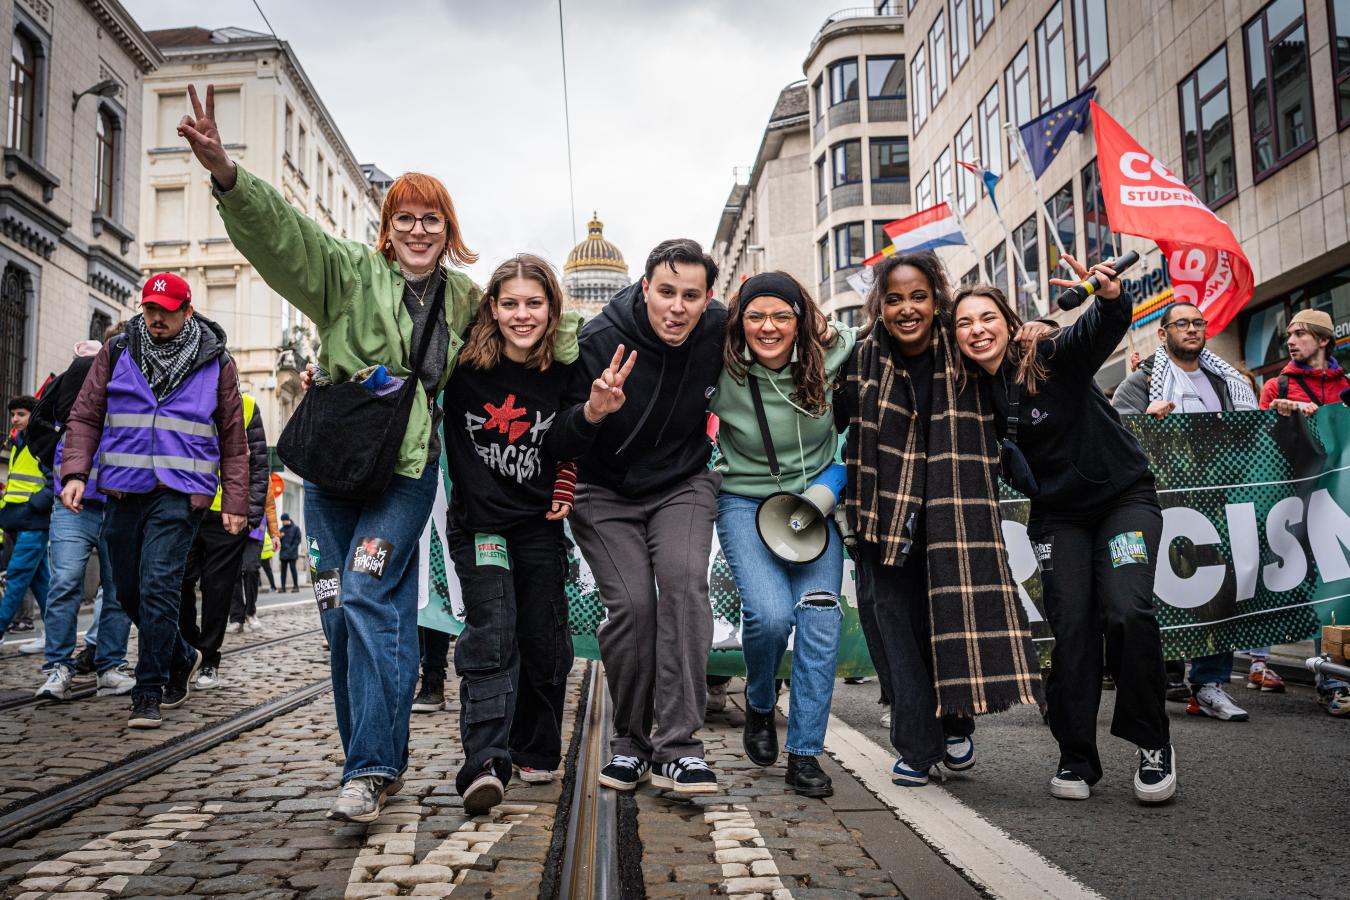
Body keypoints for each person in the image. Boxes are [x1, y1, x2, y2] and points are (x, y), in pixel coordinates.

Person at [179, 83, 563, 822]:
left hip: (405, 475)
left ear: (448, 230)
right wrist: (227, 173)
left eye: (432, 220)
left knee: (366, 594)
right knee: (339, 619)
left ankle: (370, 769)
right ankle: (371, 760)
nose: (419, 230)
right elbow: (285, 236)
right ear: (389, 227)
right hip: (330, 472)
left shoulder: (465, 301)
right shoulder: (350, 273)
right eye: (406, 218)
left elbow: (533, 331)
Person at [951, 257, 1177, 805]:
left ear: (1008, 322)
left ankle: (1153, 745)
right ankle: (1076, 757)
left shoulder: (1047, 354)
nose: (977, 330)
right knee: (1072, 627)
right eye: (963, 323)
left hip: (1123, 501)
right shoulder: (964, 393)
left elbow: (1100, 330)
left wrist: (1109, 297)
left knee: (1127, 611)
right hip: (1059, 518)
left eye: (987, 318)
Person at [837, 253, 1043, 788]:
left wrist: (1041, 328)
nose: (907, 309)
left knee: (951, 620)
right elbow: (824, 410)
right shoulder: (860, 358)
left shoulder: (964, 345)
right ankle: (916, 744)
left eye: (919, 297)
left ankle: (956, 718)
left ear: (937, 300)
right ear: (879, 307)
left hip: (957, 511)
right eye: (895, 299)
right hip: (883, 514)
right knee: (896, 630)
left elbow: (1018, 354)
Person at [551, 239, 726, 795]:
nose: (677, 307)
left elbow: (793, 330)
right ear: (644, 287)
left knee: (683, 587)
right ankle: (631, 742)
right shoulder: (597, 339)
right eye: (667, 292)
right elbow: (557, 435)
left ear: (708, 299)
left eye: (691, 296)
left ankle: (679, 747)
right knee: (632, 605)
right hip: (604, 491)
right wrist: (593, 410)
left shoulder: (722, 327)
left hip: (683, 483)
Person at [443, 253, 601, 815]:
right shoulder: (462, 365)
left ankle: (535, 748)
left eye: (534, 303)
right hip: (481, 525)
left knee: (544, 637)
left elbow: (564, 442)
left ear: (552, 309)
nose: (522, 314)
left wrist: (589, 420)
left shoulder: (565, 371)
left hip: (537, 527)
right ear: (492, 306)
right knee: (492, 632)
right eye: (509, 303)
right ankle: (484, 760)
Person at [60, 272, 249, 729]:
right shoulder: (119, 350)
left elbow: (233, 436)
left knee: (159, 585)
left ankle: (149, 690)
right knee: (126, 589)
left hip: (181, 493)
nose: (157, 317)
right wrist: (75, 472)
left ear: (187, 311)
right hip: (124, 488)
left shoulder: (215, 362)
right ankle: (183, 654)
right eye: (150, 309)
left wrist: (236, 501)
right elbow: (86, 416)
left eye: (166, 309)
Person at [709, 271, 854, 798]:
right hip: (745, 502)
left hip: (815, 506)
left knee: (818, 615)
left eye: (781, 316)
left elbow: (873, 342)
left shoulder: (833, 355)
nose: (768, 327)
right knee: (769, 616)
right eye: (755, 316)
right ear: (739, 321)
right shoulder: (720, 365)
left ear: (800, 319)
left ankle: (806, 754)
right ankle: (763, 701)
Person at [1112, 301, 1264, 721]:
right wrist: (1144, 419)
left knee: (1221, 591)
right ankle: (1156, 677)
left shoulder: (1228, 381)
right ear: (1163, 334)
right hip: (1163, 506)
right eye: (1182, 323)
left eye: (1199, 323)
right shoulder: (1139, 385)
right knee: (1165, 593)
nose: (1193, 329)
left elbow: (1248, 434)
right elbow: (1115, 434)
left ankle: (1210, 684)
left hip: (1218, 502)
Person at [1256, 308, 1350, 716]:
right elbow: (1258, 444)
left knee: (1337, 592)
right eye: (1288, 334)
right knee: (1309, 587)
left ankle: (1334, 678)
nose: (1291, 341)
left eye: (1300, 334)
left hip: (1340, 502)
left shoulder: (1346, 386)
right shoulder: (1276, 386)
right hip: (1295, 501)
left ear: (1324, 339)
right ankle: (1326, 679)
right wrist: (1283, 416)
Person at [37, 337, 134, 700]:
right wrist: (64, 479)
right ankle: (58, 667)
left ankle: (109, 667)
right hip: (74, 503)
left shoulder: (135, 387)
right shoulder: (79, 379)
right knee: (65, 582)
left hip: (118, 502)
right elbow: (63, 431)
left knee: (118, 590)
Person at [179, 390, 270, 689]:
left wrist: (251, 516)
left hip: (227, 516)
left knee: (217, 590)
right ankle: (187, 650)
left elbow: (258, 463)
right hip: (184, 508)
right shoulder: (185, 394)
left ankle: (208, 659)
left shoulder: (247, 405)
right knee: (178, 584)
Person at [0, 393, 53, 655]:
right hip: (15, 520)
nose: (15, 419)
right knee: (41, 581)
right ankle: (53, 635)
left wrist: (37, 503)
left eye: (21, 414)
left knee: (17, 577)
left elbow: (57, 479)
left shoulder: (41, 441)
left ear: (33, 416)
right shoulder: (17, 441)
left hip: (32, 521)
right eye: (13, 414)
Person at [230, 490, 278, 634]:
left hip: (256, 531)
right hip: (232, 528)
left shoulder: (262, 473)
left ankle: (250, 612)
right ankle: (236, 618)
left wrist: (275, 534)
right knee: (233, 573)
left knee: (251, 569)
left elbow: (270, 506)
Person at [278, 513, 302, 592]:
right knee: (283, 571)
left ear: (287, 520)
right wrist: (280, 537)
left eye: (284, 520)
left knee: (293, 569)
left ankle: (296, 586)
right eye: (282, 521)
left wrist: (291, 550)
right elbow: (279, 542)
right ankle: (283, 587)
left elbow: (297, 541)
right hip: (283, 554)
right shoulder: (281, 530)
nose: (283, 522)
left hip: (292, 553)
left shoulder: (296, 528)